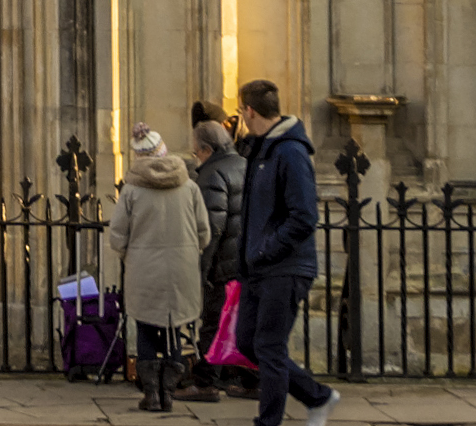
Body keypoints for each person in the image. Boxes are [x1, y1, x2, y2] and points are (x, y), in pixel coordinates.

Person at [226, 79, 334, 426]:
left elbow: (304, 216)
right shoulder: (263, 149)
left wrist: (266, 248)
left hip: (284, 267)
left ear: (250, 111)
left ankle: (269, 422)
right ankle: (318, 396)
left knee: (270, 347)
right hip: (259, 267)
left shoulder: (290, 152)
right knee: (247, 342)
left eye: (242, 112)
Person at [107, 128, 211, 412]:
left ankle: (151, 394)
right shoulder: (189, 187)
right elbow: (204, 232)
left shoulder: (131, 190)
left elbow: (117, 236)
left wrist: (133, 254)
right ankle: (169, 394)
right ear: (164, 151)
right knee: (175, 327)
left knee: (145, 327)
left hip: (144, 269)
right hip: (182, 269)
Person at [186, 103, 248, 397]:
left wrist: (203, 268)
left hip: (223, 264)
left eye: (196, 151)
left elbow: (212, 227)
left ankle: (206, 382)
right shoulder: (244, 165)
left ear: (207, 149)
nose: (196, 158)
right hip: (245, 261)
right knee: (240, 323)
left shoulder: (212, 173)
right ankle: (250, 380)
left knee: (213, 323)